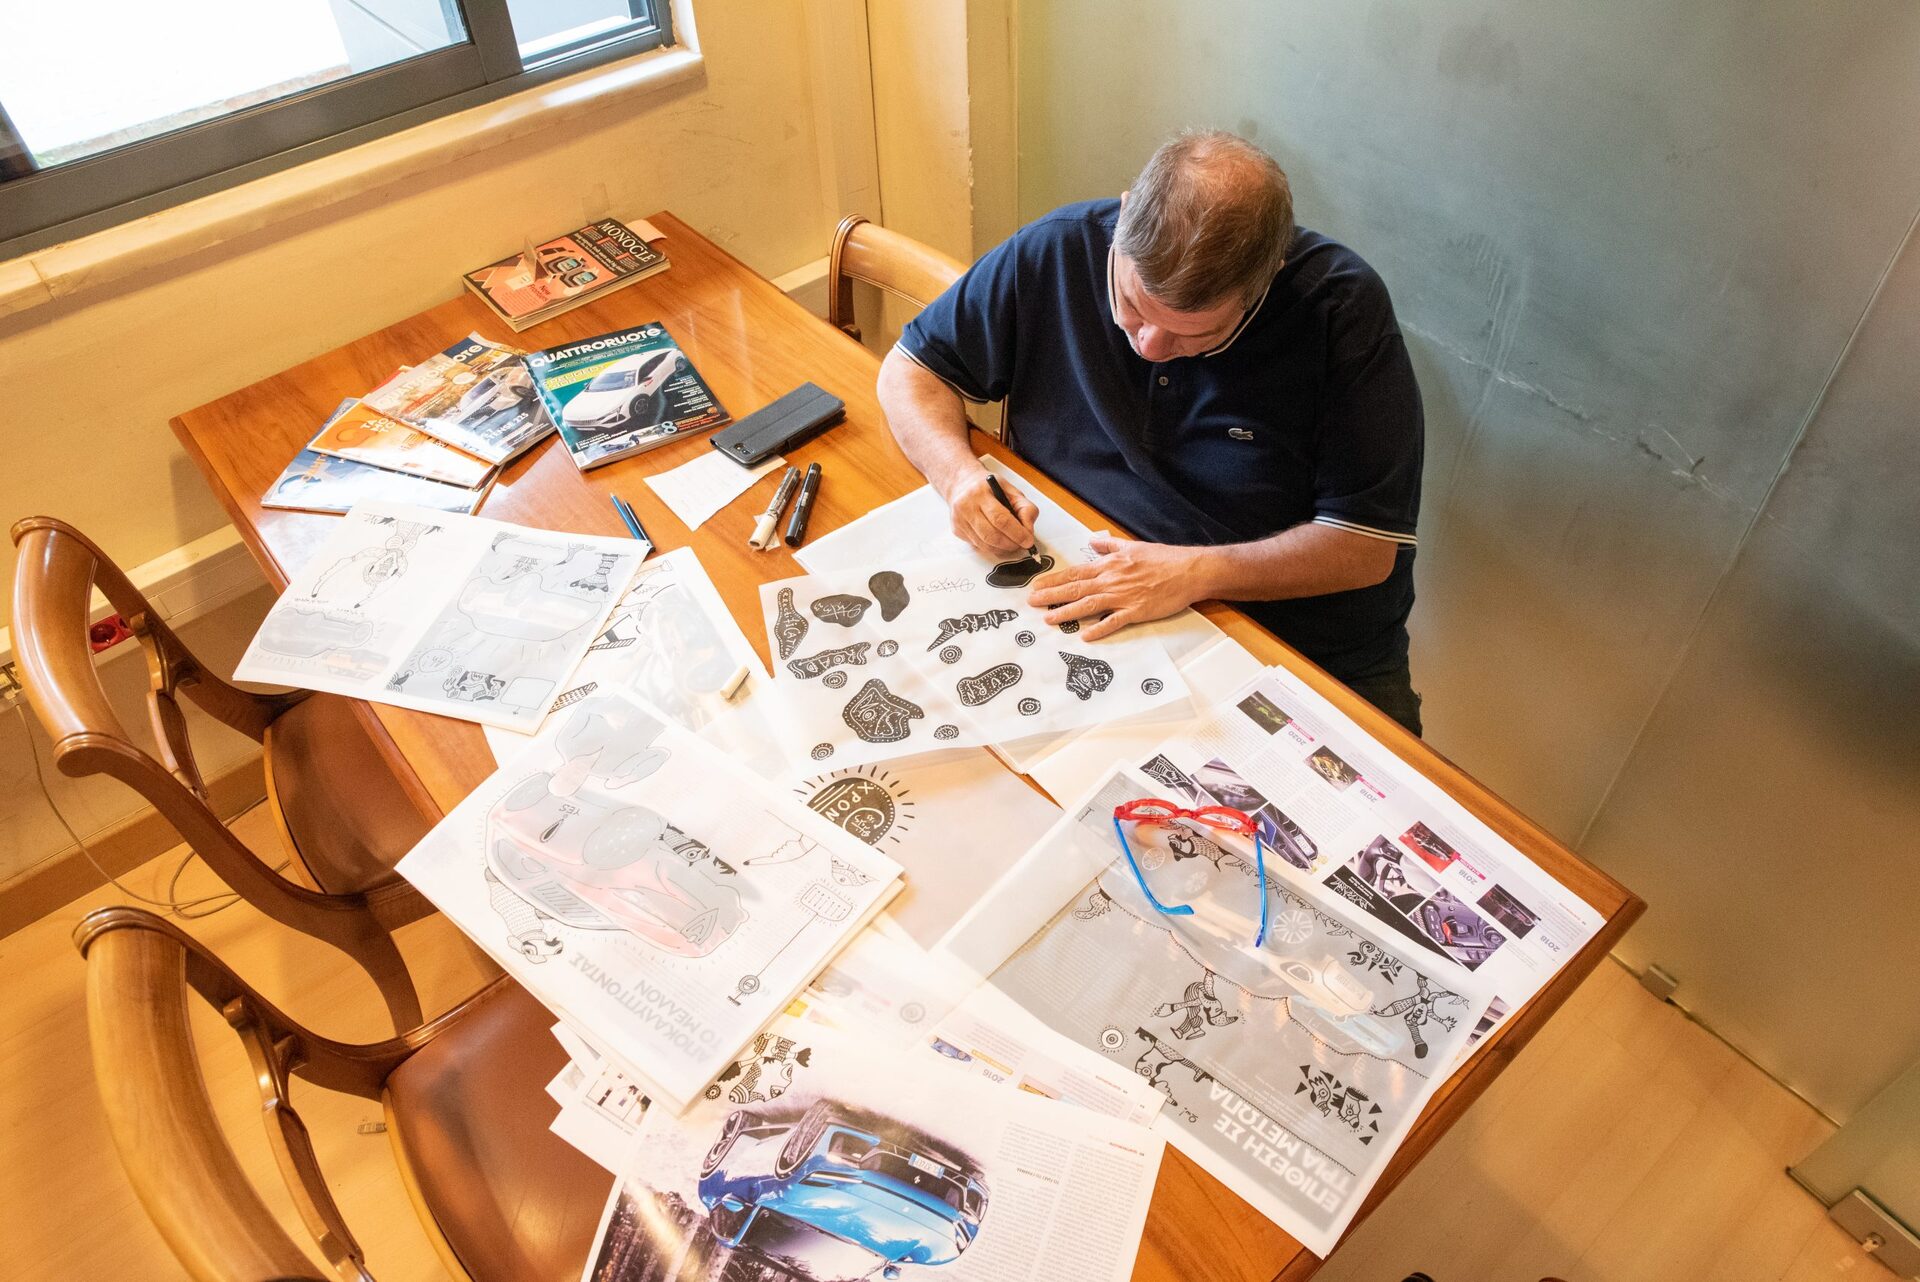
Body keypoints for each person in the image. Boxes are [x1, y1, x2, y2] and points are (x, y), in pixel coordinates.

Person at [876, 130, 1426, 734]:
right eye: (1133, 305)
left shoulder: (1341, 311)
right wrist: (957, 476)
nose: (1151, 347)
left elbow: (1364, 549)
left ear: (1266, 280)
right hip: (1084, 585)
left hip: (1291, 641)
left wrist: (1197, 572)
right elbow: (911, 370)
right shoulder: (1059, 248)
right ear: (1124, 215)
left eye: (1195, 333)